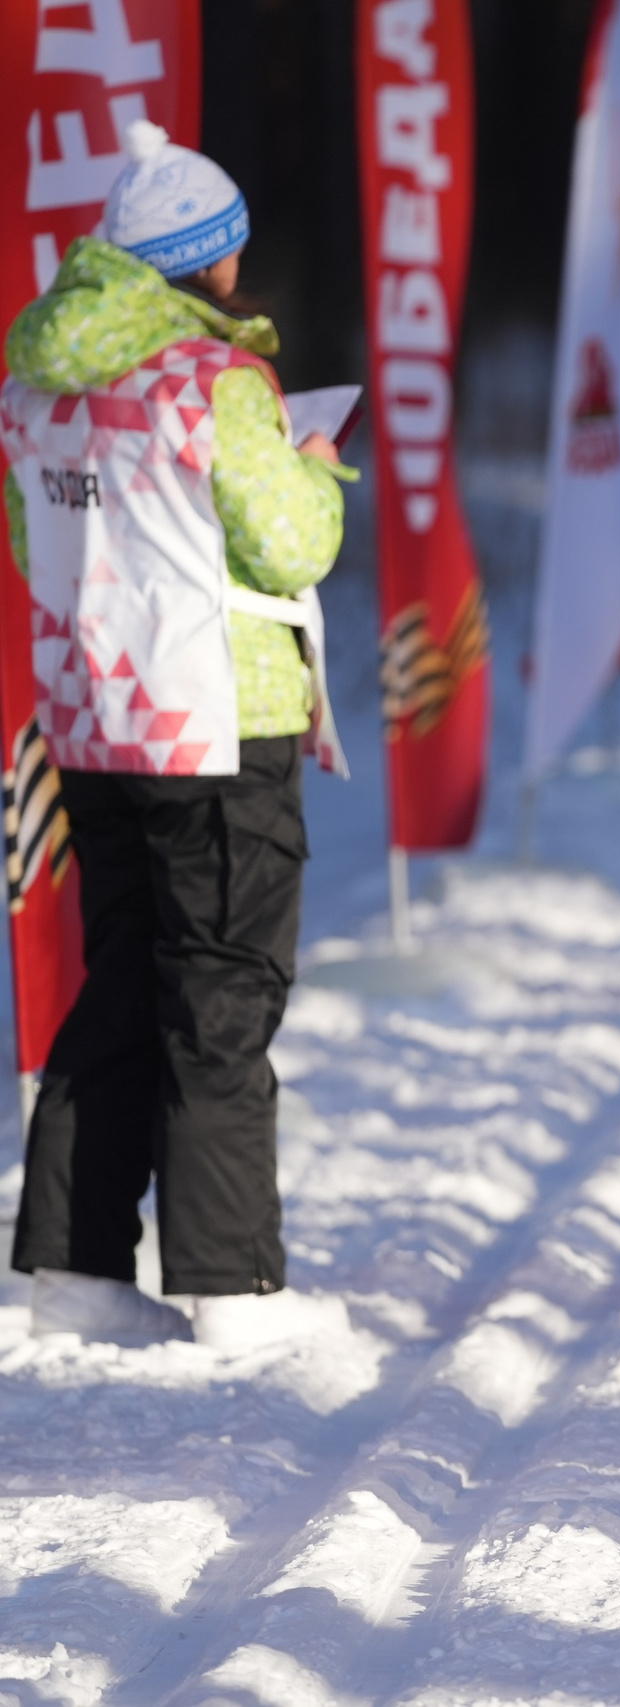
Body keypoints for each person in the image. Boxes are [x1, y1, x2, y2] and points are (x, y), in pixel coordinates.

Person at [2, 121, 354, 1350]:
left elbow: (25, 543)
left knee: (116, 995)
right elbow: (292, 544)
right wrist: (313, 466)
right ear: (201, 262)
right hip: (220, 727)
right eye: (232, 253)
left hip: (94, 727)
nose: (240, 272)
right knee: (221, 999)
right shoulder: (218, 386)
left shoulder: (35, 385)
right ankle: (232, 1292)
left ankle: (76, 1274)